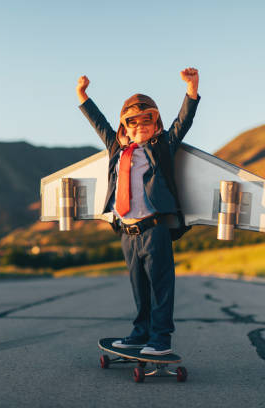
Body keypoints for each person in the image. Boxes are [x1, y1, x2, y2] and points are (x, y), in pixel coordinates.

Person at [76, 68, 199, 355]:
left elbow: (184, 122)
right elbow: (100, 123)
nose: (141, 125)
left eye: (148, 120)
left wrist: (191, 90)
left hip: (153, 228)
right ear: (124, 128)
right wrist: (83, 96)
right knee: (139, 288)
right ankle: (141, 332)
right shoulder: (117, 150)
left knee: (160, 286)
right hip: (127, 232)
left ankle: (161, 339)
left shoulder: (162, 147)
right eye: (133, 122)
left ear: (156, 125)